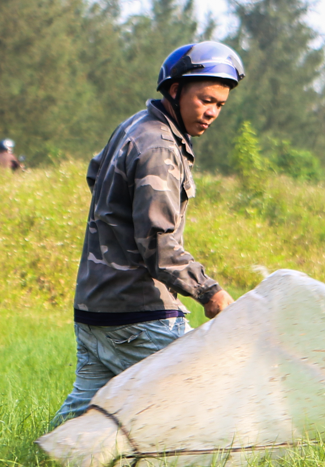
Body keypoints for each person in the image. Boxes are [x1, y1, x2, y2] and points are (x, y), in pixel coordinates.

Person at [47, 41, 243, 429]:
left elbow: (96, 176)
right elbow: (159, 245)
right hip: (136, 314)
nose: (211, 112)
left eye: (219, 105)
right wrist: (211, 293)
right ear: (174, 89)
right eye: (205, 99)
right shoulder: (160, 147)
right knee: (208, 403)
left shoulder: (134, 126)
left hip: (94, 308)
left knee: (80, 426)